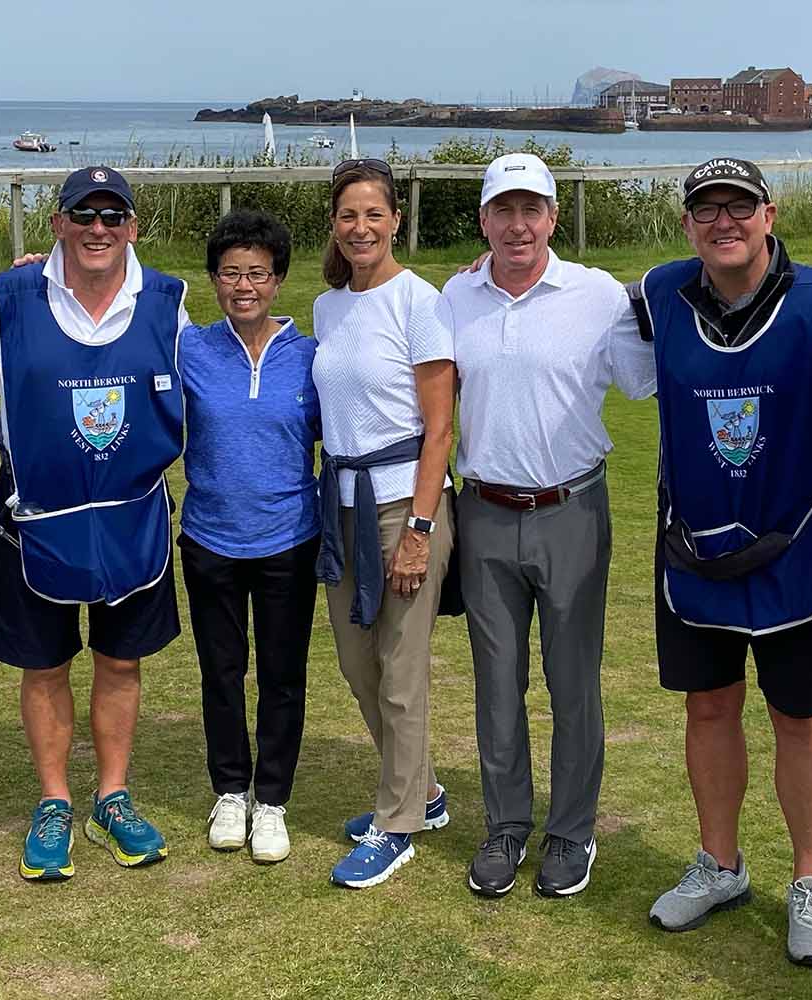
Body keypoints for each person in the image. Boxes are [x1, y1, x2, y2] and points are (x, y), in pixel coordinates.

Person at [629, 157, 812, 966]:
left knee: (801, 718)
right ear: (688, 223)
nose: (723, 223)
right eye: (706, 210)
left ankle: (810, 880)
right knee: (709, 710)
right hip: (694, 549)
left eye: (739, 207)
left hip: (793, 549)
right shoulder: (659, 296)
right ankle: (720, 864)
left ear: (770, 212)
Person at [0, 166, 189, 881]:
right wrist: (11, 383)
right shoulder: (10, 293)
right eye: (83, 215)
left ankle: (111, 796)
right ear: (57, 223)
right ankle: (55, 800)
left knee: (121, 660)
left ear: (132, 229)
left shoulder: (167, 300)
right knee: (45, 661)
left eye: (112, 217)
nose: (98, 230)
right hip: (35, 512)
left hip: (131, 512)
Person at [441, 153, 657, 899]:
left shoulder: (596, 294)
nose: (518, 224)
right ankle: (506, 826)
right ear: (484, 221)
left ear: (553, 219)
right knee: (496, 683)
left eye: (532, 209)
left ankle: (571, 833)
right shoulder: (456, 295)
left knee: (574, 684)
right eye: (504, 210)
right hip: (485, 512)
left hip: (572, 510)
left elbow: (647, 372)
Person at [311, 158, 457, 888]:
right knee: (357, 664)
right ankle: (424, 794)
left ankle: (395, 824)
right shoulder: (327, 307)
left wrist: (421, 530)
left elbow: (439, 430)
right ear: (334, 225)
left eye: (374, 213)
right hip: (340, 508)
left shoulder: (419, 302)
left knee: (401, 675)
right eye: (348, 215)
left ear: (396, 219)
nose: (361, 227)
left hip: (405, 504)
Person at [177, 209, 320, 864]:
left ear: (278, 278)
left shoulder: (310, 356)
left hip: (290, 539)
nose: (244, 286)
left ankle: (273, 801)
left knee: (283, 675)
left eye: (257, 273)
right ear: (213, 280)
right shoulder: (191, 349)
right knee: (222, 671)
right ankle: (230, 791)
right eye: (231, 273)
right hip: (210, 539)